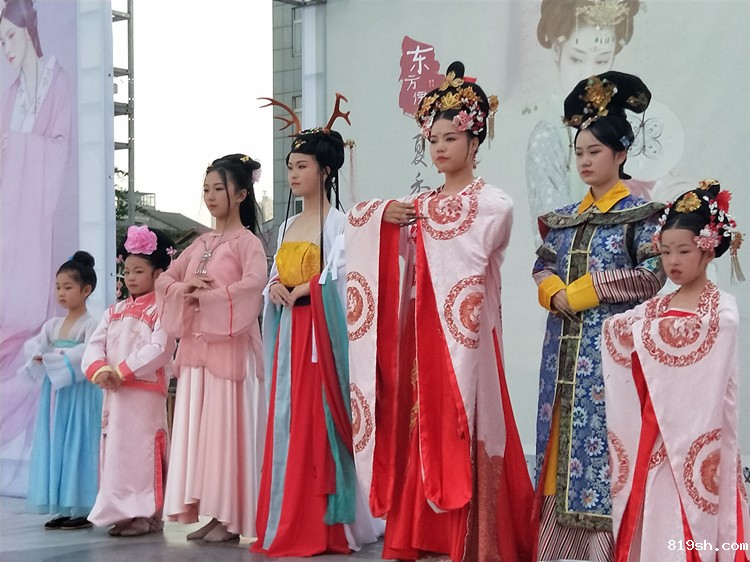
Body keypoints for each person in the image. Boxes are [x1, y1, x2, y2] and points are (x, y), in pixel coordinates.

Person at [346, 61, 533, 562]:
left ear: (475, 140)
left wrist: (411, 215)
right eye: (433, 140)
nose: (440, 148)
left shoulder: (492, 203)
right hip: (421, 327)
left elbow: (475, 237)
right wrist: (380, 217)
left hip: (465, 333)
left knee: (460, 417)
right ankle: (417, 530)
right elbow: (363, 223)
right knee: (419, 418)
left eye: (451, 138)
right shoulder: (418, 204)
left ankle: (472, 537)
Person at [532, 71, 666, 561]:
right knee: (559, 446)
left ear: (621, 153)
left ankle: (610, 550)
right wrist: (553, 293)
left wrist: (583, 292)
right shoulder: (565, 217)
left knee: (610, 447)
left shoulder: (642, 216)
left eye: (596, 151)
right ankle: (558, 550)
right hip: (561, 356)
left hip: (611, 357)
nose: (586, 161)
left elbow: (652, 275)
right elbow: (542, 264)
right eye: (580, 153)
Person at [253, 96, 382, 556]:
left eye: (302, 166)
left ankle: (327, 524)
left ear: (325, 171)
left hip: (319, 335)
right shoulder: (287, 224)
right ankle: (288, 516)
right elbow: (276, 270)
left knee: (318, 419)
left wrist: (309, 287)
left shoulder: (341, 224)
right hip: (289, 331)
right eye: (290, 166)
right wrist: (274, 286)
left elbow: (344, 277)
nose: (293, 174)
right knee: (287, 419)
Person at [602, 180, 749, 562]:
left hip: (700, 433)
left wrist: (647, 333)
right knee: (658, 508)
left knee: (698, 506)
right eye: (666, 251)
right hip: (657, 435)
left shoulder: (722, 309)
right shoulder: (656, 306)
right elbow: (619, 330)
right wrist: (632, 329)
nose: (673, 261)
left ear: (708, 249)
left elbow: (710, 337)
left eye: (683, 251)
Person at [157, 154, 267, 543]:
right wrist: (184, 288)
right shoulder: (200, 243)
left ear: (241, 194)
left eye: (219, 188)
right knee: (198, 432)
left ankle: (230, 516)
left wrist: (211, 298)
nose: (210, 196)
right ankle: (209, 512)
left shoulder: (248, 243)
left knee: (224, 431)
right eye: (206, 189)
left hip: (229, 350)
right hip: (195, 351)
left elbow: (254, 285)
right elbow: (165, 280)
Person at [0, 0, 75, 494]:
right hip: (8, 217)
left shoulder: (57, 80)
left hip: (35, 221)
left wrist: (19, 146)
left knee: (28, 311)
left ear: (28, 30)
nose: (6, 49)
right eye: (1, 41)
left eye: (10, 37)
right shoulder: (9, 94)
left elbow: (59, 147)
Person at [82, 226, 176, 537]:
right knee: (116, 453)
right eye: (128, 271)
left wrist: (121, 371)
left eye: (139, 271)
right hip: (116, 394)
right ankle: (121, 512)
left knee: (142, 451)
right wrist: (100, 370)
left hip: (144, 396)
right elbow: (94, 345)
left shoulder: (162, 309)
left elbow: (160, 348)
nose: (131, 277)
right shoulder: (114, 311)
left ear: (158, 274)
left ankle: (146, 515)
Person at [526, 0, 639, 241]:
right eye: (577, 59)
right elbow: (554, 231)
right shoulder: (549, 133)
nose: (589, 74)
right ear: (557, 51)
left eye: (601, 61)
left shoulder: (625, 125)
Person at [19, 251, 100, 530]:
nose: (61, 293)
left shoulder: (92, 323)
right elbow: (35, 345)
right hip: (57, 393)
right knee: (60, 444)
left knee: (80, 443)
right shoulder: (52, 325)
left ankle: (84, 506)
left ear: (86, 290)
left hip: (82, 393)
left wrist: (56, 357)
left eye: (68, 287)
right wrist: (38, 355)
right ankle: (65, 506)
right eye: (58, 287)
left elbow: (89, 352)